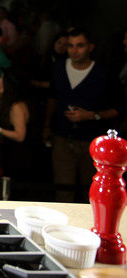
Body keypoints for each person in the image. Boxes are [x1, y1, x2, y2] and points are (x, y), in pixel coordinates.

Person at [44, 28, 120, 202]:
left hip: (91, 142)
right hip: (62, 138)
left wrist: (91, 115)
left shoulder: (104, 73)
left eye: (80, 46)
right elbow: (52, 97)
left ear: (90, 47)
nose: (74, 50)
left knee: (91, 191)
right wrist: (47, 125)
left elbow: (118, 108)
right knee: (63, 191)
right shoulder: (59, 68)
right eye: (70, 46)